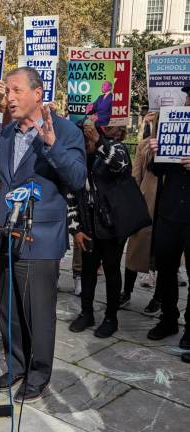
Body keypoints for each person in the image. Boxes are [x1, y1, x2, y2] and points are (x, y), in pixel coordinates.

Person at [0, 67, 86, 403]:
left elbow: (77, 179)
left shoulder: (63, 130)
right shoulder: (6, 133)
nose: (9, 97)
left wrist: (51, 145)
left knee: (37, 312)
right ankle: (17, 363)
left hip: (41, 236)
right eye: (7, 91)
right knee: (8, 309)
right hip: (6, 233)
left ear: (38, 93)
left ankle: (38, 374)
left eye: (16, 90)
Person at [68, 124, 134, 338]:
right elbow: (71, 195)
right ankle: (86, 313)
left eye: (87, 140)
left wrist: (99, 142)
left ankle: (110, 318)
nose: (84, 144)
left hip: (111, 225)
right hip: (88, 225)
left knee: (112, 270)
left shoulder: (116, 149)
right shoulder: (78, 159)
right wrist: (75, 229)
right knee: (88, 271)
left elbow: (119, 166)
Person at [146, 86, 190, 366]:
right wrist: (155, 151)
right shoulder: (174, 124)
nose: (188, 99)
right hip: (171, 211)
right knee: (165, 267)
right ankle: (169, 319)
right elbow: (157, 170)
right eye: (188, 95)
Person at [119, 112, 161, 314]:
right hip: (145, 207)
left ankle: (159, 297)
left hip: (169, 208)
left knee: (164, 256)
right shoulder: (145, 145)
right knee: (135, 250)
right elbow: (135, 177)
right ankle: (126, 292)